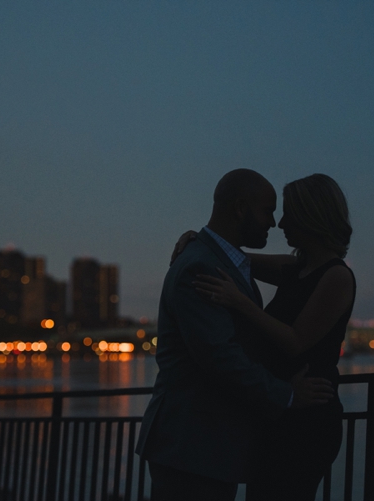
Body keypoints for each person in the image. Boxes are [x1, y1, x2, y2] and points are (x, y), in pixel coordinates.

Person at [135, 169, 336, 501]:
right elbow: (220, 358)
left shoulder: (217, 261)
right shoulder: (202, 268)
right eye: (268, 211)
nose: (274, 223)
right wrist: (287, 394)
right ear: (241, 208)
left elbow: (294, 271)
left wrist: (196, 237)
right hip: (194, 447)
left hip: (201, 446)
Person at [190, 173, 355, 501]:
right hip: (284, 409)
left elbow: (295, 340)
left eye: (289, 214)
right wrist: (196, 241)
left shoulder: (337, 276)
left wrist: (240, 302)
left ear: (311, 217)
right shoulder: (296, 269)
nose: (280, 224)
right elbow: (236, 259)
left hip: (308, 419)